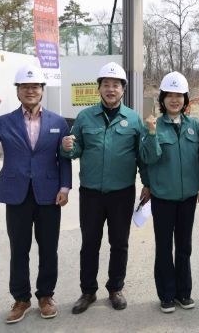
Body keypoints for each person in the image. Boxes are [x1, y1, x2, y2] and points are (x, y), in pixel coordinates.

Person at [0, 65, 71, 324]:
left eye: (35, 87)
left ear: (42, 90)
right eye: (25, 87)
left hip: (49, 194)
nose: (30, 91)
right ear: (18, 91)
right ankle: (21, 299)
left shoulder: (58, 122)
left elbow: (64, 158)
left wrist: (65, 187)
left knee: (48, 248)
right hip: (16, 193)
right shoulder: (5, 121)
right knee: (19, 249)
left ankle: (46, 296)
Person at [61, 62, 150, 314]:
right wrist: (67, 147)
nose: (111, 89)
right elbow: (75, 149)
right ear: (99, 88)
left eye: (116, 85)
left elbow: (142, 155)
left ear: (123, 89)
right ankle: (88, 291)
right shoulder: (84, 117)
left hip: (122, 193)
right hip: (91, 193)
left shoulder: (133, 119)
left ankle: (115, 288)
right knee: (89, 243)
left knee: (119, 243)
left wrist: (147, 183)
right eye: (106, 85)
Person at [141, 71, 199, 314]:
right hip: (163, 197)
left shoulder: (194, 126)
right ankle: (167, 295)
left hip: (188, 197)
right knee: (163, 247)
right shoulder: (153, 126)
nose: (174, 100)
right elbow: (148, 159)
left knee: (184, 246)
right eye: (169, 95)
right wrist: (151, 134)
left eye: (179, 95)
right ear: (162, 99)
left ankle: (184, 292)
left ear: (185, 99)